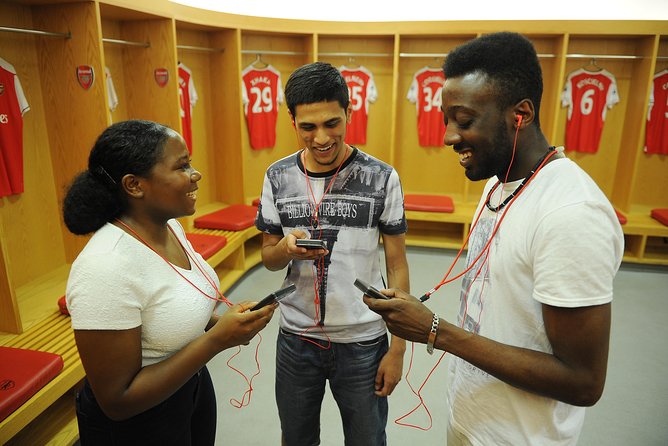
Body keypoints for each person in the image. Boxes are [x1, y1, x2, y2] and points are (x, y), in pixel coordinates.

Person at [364, 32, 624, 446]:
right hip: (472, 420)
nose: (449, 136)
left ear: (519, 114)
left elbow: (583, 381)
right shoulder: (498, 184)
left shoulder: (570, 214)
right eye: (447, 119)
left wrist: (435, 330)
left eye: (464, 121)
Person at [63, 120, 276, 445]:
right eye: (182, 166)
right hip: (139, 424)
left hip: (188, 388)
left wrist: (227, 324)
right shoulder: (104, 266)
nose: (196, 174)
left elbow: (170, 310)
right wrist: (218, 339)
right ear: (135, 185)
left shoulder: (170, 228)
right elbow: (118, 400)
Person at [255, 62, 409, 446]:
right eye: (308, 127)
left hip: (364, 340)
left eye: (331, 123)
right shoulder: (277, 176)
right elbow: (268, 256)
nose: (321, 138)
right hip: (296, 338)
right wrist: (286, 250)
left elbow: (397, 263)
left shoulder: (382, 177)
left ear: (349, 111)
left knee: (367, 440)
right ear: (292, 121)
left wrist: (399, 347)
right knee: (297, 439)